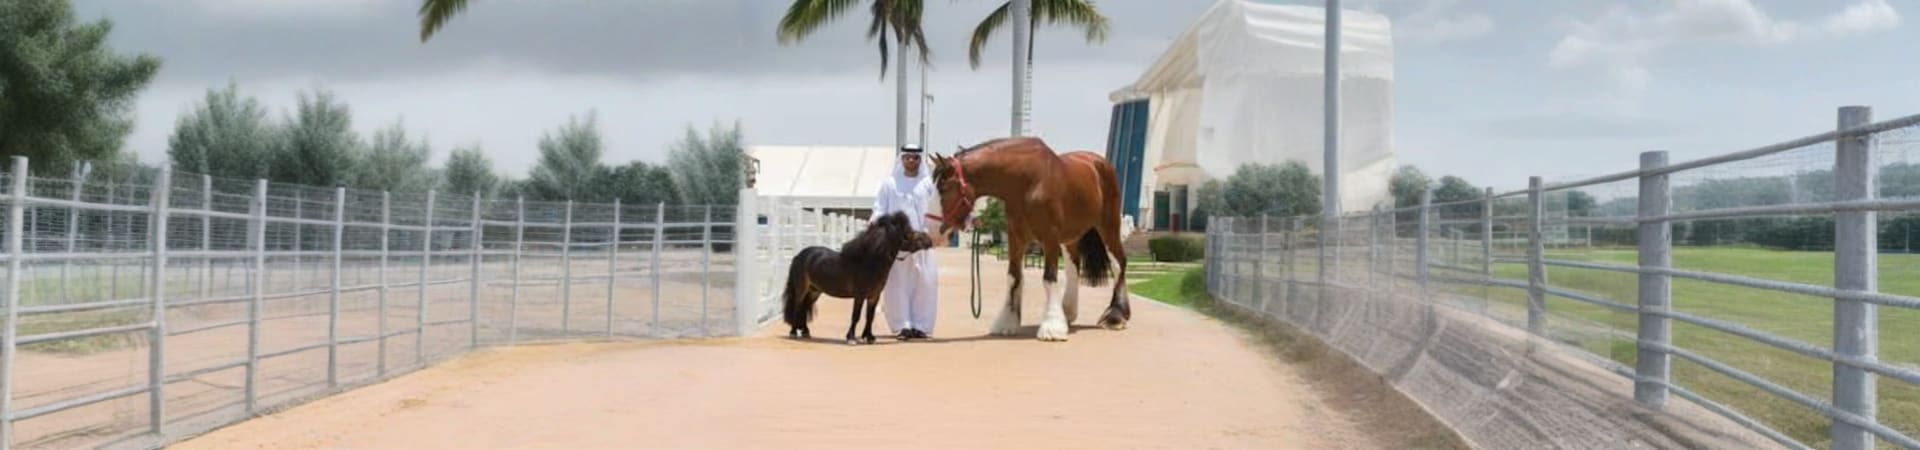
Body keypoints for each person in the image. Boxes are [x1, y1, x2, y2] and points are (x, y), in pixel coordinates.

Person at [872, 144, 942, 340]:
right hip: (897, 244)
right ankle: (902, 326)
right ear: (901, 159)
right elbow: (879, 208)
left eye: (915, 158)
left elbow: (939, 208)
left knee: (926, 284)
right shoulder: (889, 184)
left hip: (923, 242)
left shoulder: (928, 185)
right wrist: (876, 225)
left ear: (920, 161)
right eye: (907, 157)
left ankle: (921, 326)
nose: (911, 161)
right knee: (897, 284)